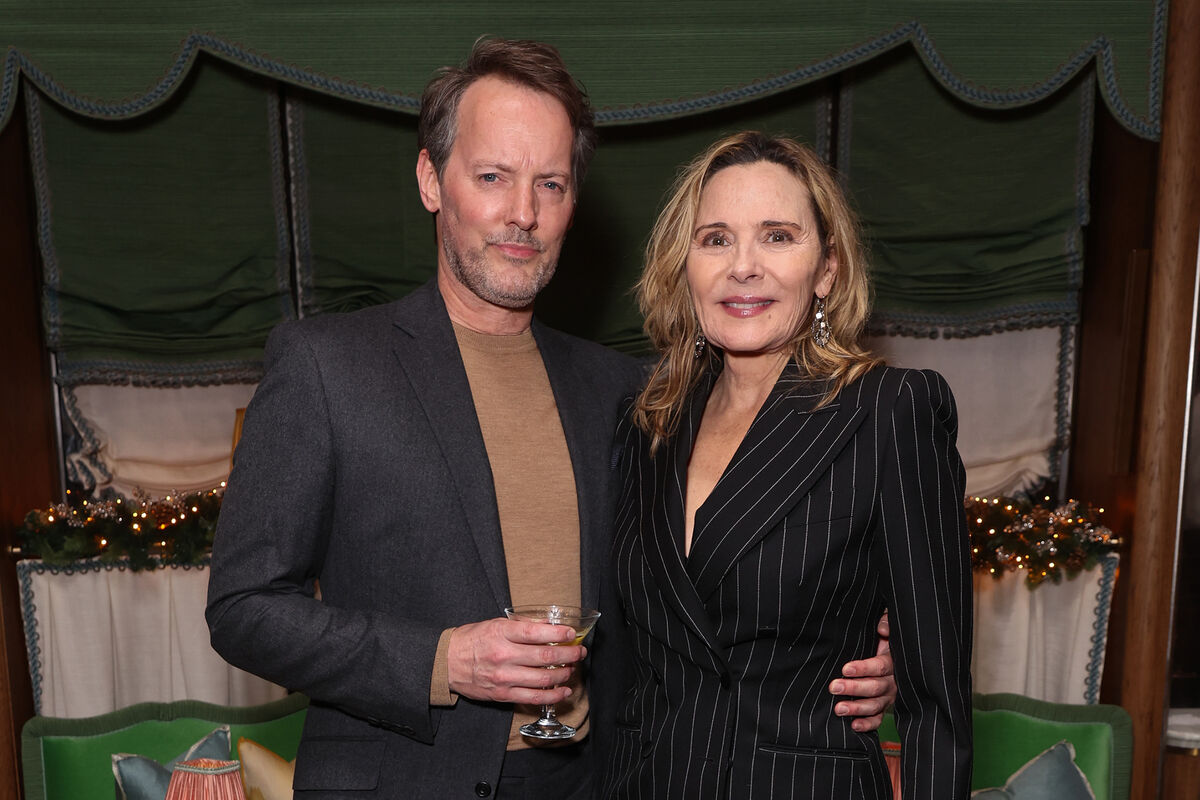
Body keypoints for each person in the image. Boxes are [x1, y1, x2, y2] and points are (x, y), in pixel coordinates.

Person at [206, 41, 896, 799]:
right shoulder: (326, 366)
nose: (523, 214)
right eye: (492, 177)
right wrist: (442, 661)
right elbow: (242, 609)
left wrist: (852, 648)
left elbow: (701, 586)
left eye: (551, 184)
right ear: (432, 180)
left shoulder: (625, 392)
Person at [601, 132, 972, 799]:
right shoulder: (648, 420)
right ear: (685, 266)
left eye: (777, 236)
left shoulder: (889, 410)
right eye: (716, 239)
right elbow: (635, 660)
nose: (743, 266)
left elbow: (937, 703)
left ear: (827, 269)